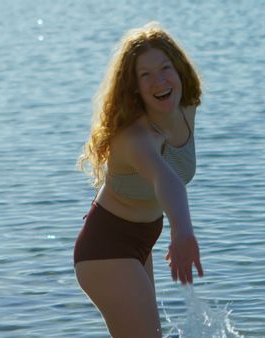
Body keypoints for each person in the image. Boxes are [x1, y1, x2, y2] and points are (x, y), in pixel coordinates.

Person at [74, 22, 204, 338]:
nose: (159, 80)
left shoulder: (187, 109)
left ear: (179, 70)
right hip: (106, 246)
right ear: (133, 87)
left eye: (165, 68)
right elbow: (167, 180)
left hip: (141, 241)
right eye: (145, 75)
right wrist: (182, 233)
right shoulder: (136, 138)